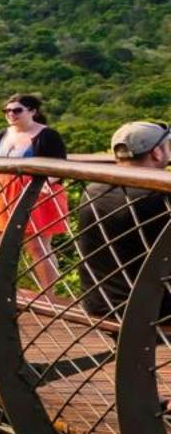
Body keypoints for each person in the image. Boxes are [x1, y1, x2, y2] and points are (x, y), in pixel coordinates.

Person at [0, 93, 69, 298]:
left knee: (38, 247)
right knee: (3, 244)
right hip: (2, 192)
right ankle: (3, 291)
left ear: (33, 111)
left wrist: (47, 184)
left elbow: (60, 166)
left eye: (17, 110)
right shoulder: (2, 135)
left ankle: (48, 295)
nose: (11, 114)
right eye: (7, 110)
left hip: (35, 194)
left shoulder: (47, 135)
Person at [77, 120, 170, 320]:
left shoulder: (93, 190)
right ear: (157, 153)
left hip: (100, 302)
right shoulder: (160, 196)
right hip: (153, 308)